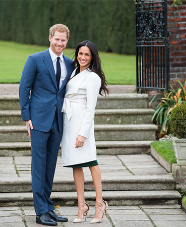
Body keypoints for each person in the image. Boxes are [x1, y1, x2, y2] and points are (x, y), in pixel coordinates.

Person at [19, 24, 75, 226]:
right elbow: (24, 88)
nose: (60, 43)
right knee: (38, 165)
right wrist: (27, 117)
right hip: (38, 120)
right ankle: (40, 211)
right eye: (57, 39)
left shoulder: (70, 63)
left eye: (63, 40)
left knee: (50, 165)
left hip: (58, 121)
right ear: (50, 38)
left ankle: (48, 207)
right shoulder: (35, 59)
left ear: (67, 41)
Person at [61, 40, 109, 224]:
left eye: (87, 54)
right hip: (69, 122)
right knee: (75, 164)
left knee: (91, 162)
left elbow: (90, 109)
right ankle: (81, 205)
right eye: (80, 53)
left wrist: (83, 134)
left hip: (82, 122)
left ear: (93, 57)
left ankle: (99, 203)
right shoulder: (74, 71)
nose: (82, 57)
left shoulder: (93, 77)